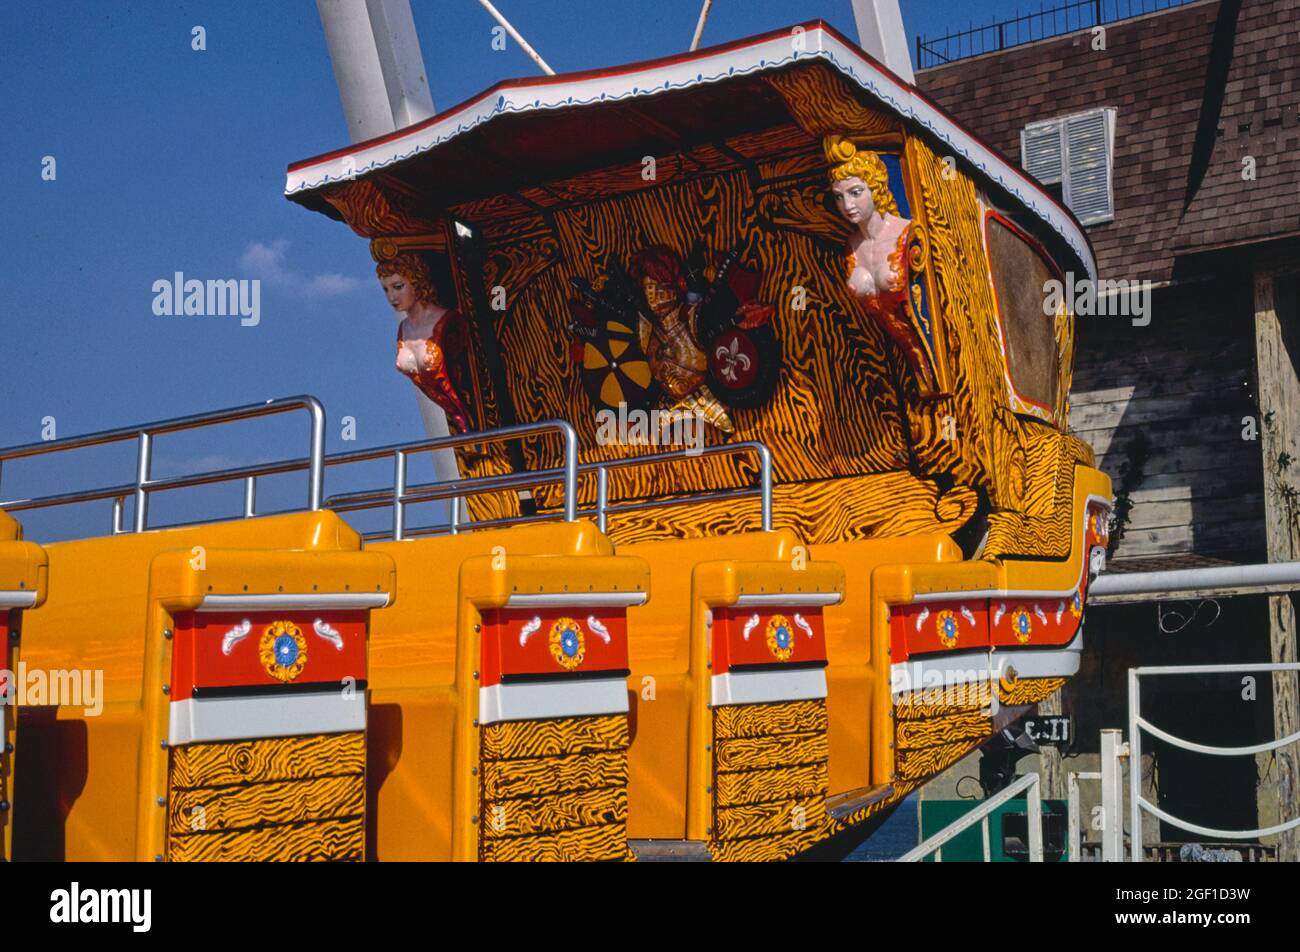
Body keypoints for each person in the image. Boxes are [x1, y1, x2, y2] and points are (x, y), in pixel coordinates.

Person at [825, 134, 938, 391]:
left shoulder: (907, 234)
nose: (847, 205)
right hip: (894, 362)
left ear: (875, 187)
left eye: (855, 193)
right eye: (839, 197)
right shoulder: (851, 248)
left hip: (930, 351)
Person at [378, 253, 474, 433]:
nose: (391, 297)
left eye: (398, 287)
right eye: (386, 289)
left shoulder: (446, 322)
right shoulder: (403, 329)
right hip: (455, 420)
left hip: (473, 413)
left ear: (416, 281)